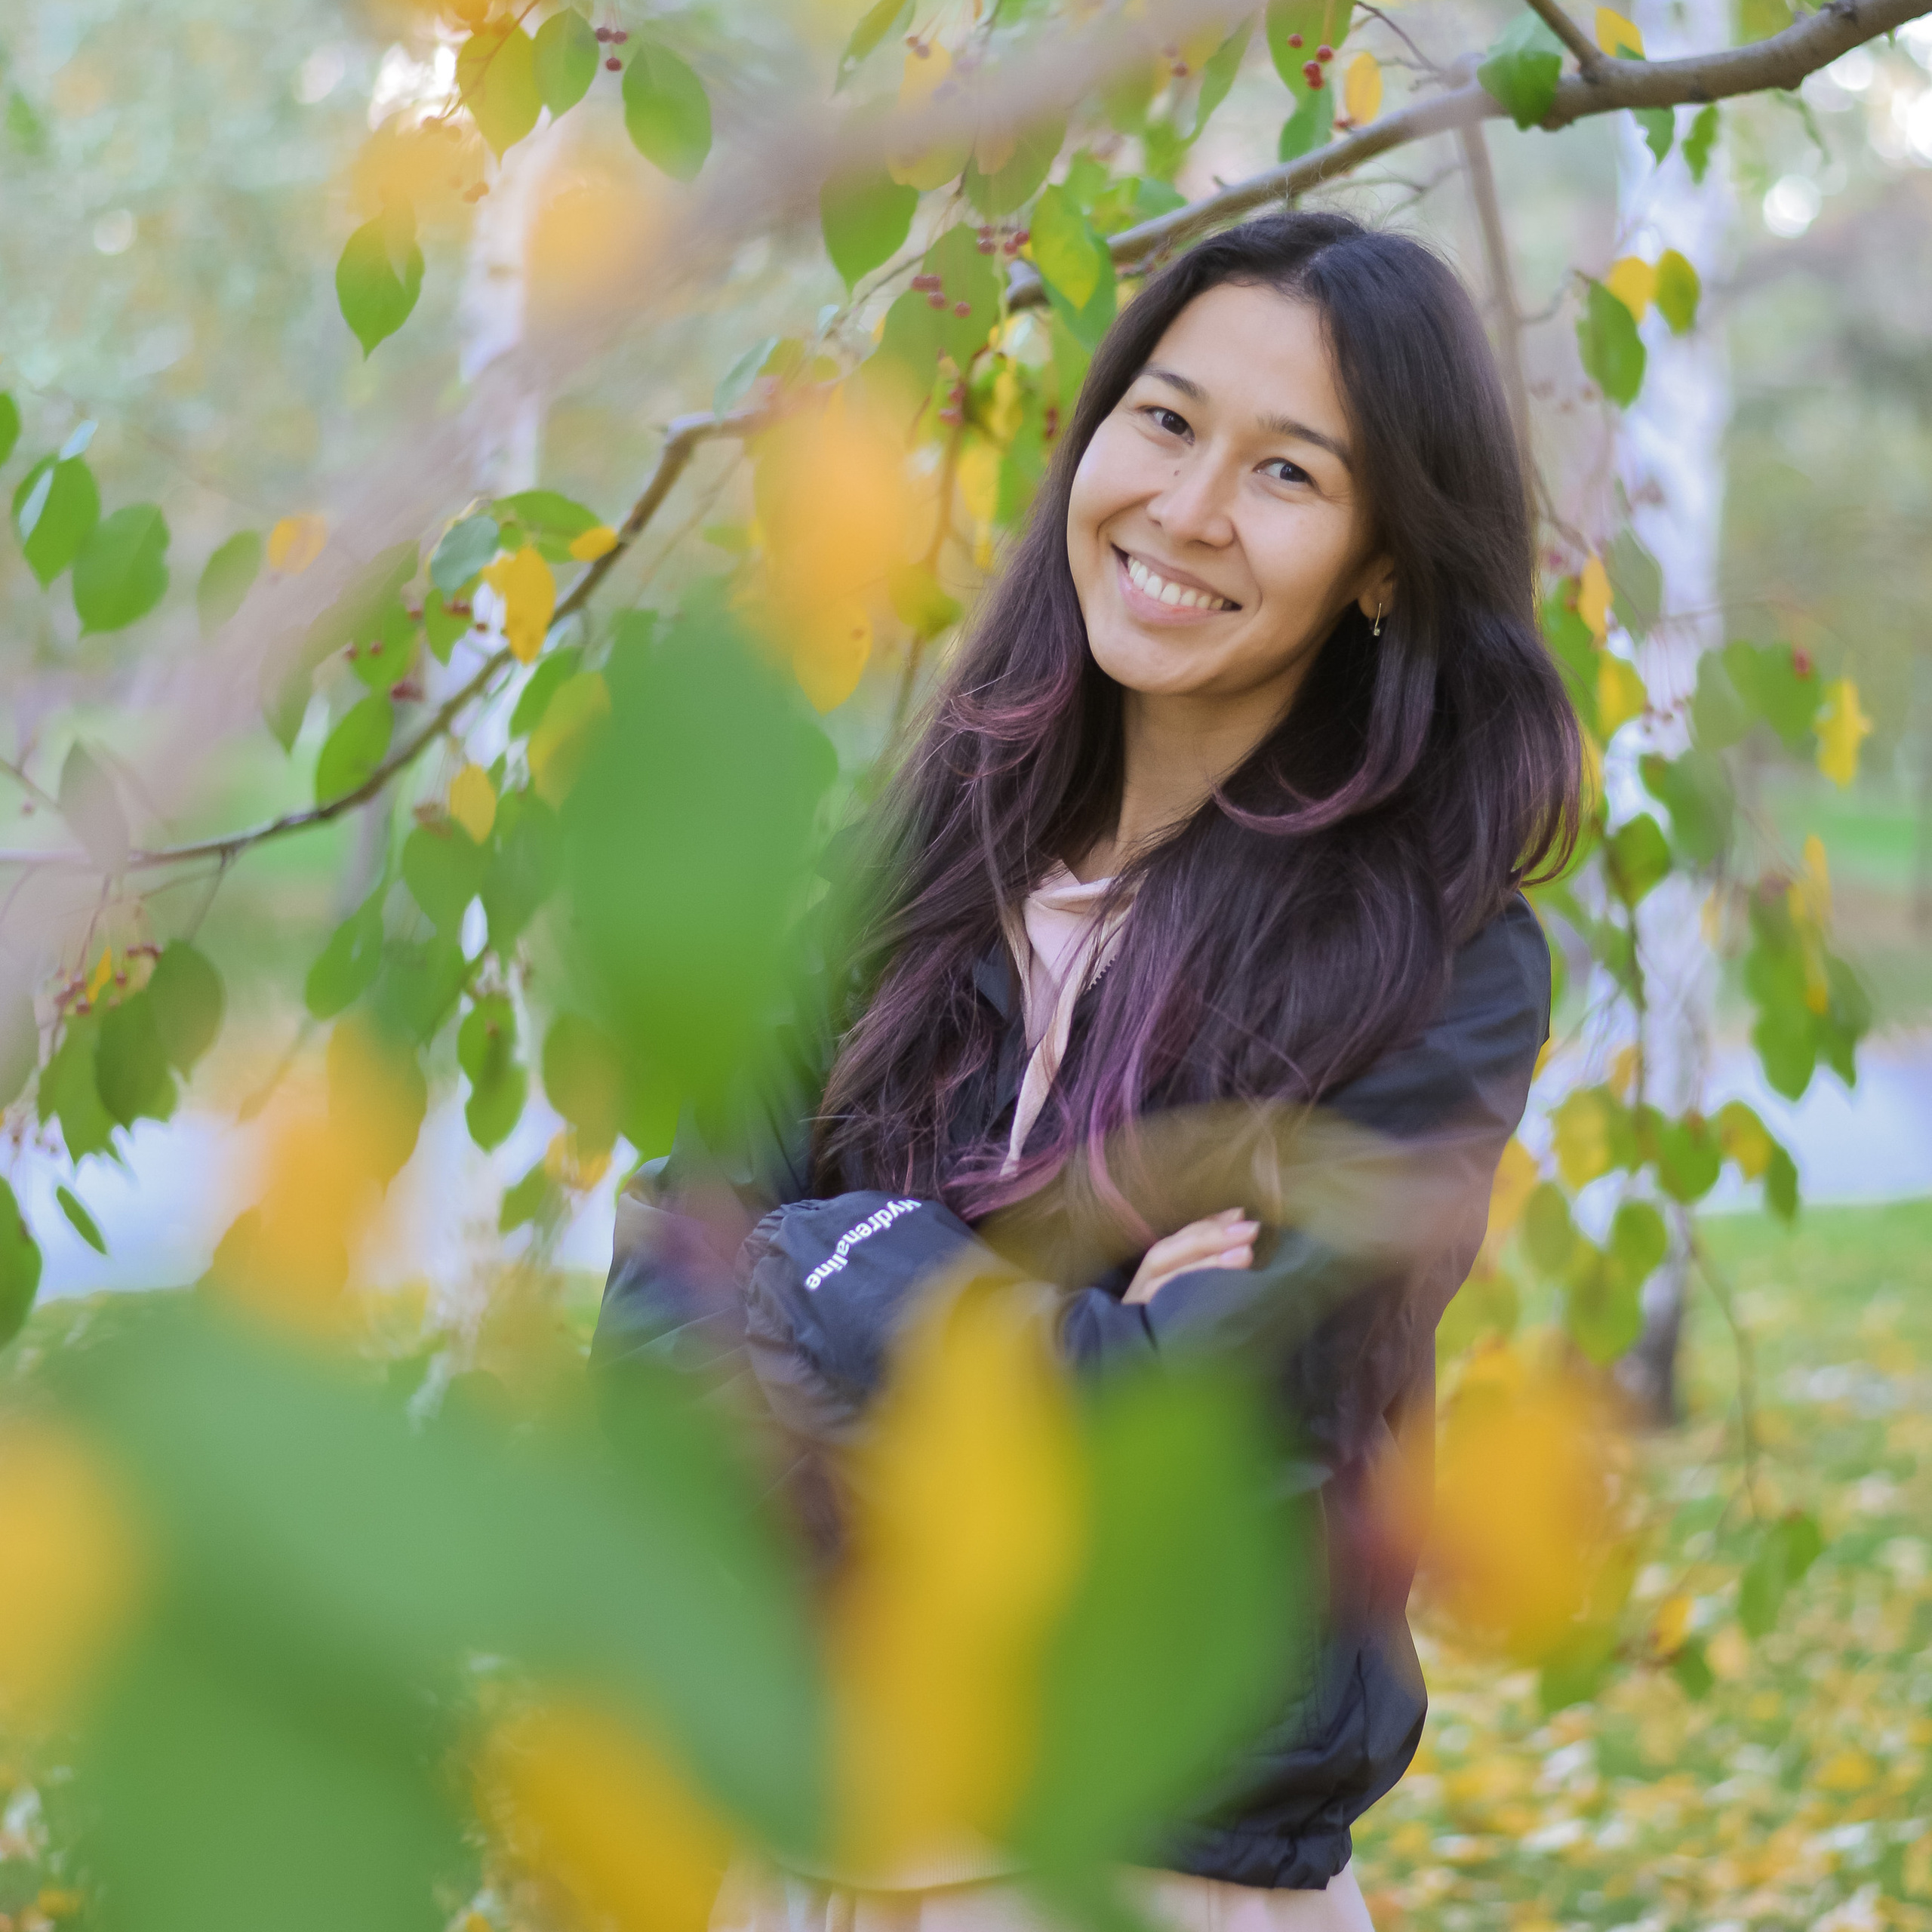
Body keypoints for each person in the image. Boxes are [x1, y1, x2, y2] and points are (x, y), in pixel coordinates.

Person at [592, 209, 1583, 1930]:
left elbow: (1209, 1451)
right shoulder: (880, 879)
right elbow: (657, 1346)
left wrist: (843, 1280)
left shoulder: (1440, 972)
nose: (1187, 509)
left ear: (1379, 560)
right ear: (1095, 433)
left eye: (1287, 472)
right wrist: (1061, 1340)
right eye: (1167, 420)